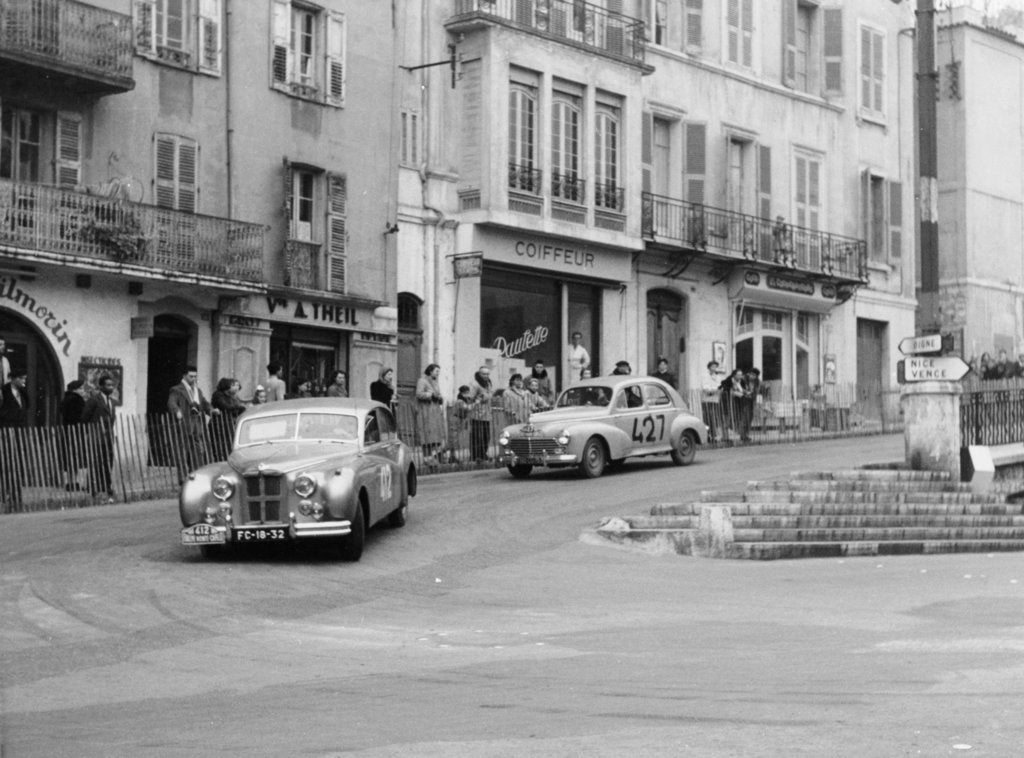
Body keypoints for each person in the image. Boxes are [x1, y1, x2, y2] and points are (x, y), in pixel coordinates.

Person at [167, 366, 219, 483]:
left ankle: (197, 476)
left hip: (197, 425)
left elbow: (204, 403)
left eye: (195, 376)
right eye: (191, 376)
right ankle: (183, 479)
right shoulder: (176, 390)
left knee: (198, 451)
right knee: (182, 452)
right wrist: (177, 411)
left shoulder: (197, 391)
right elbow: (172, 403)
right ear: (184, 376)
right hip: (184, 425)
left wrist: (211, 410)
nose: (193, 379)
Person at [81, 374, 117, 501]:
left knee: (108, 461)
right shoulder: (94, 400)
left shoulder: (112, 402)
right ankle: (93, 488)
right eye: (108, 385)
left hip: (108, 437)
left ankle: (106, 487)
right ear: (101, 386)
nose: (111, 388)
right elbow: (84, 417)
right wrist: (92, 430)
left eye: (112, 385)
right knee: (95, 462)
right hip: (96, 436)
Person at [0, 369, 28, 510]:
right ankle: (5, 492)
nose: (24, 381)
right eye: (22, 378)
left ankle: (15, 493)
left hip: (18, 433)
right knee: (6, 463)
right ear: (13, 379)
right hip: (5, 433)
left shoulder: (23, 393)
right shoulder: (3, 391)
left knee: (17, 463)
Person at [59, 379, 87, 490]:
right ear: (75, 390)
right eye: (81, 388)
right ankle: (75, 482)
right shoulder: (77, 400)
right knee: (76, 458)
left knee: (69, 459)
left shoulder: (65, 399)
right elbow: (81, 416)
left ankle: (69, 482)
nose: (83, 391)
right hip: (76, 432)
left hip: (67, 432)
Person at [415, 363, 445, 460]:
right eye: (436, 371)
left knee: (436, 435)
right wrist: (430, 395)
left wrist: (440, 397)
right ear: (430, 371)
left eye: (438, 372)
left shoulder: (435, 382)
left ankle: (436, 455)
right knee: (427, 434)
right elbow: (419, 394)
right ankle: (427, 458)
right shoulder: (422, 381)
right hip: (426, 411)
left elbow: (438, 394)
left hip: (435, 412)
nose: (438, 374)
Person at [211, 378, 246, 460]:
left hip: (228, 424)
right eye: (232, 385)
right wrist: (238, 407)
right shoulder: (218, 395)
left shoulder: (230, 396)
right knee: (220, 446)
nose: (235, 388)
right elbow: (226, 406)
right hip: (219, 424)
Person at [468, 366, 494, 462]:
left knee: (486, 436)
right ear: (479, 374)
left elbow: (490, 395)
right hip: (477, 414)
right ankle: (475, 455)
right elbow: (470, 397)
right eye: (484, 374)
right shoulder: (474, 384)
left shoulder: (488, 383)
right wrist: (481, 398)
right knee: (476, 436)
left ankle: (483, 453)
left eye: (487, 374)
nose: (486, 376)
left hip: (486, 414)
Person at [445, 384, 474, 463]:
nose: (468, 394)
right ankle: (443, 452)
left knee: (455, 440)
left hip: (460, 420)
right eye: (466, 392)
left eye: (468, 392)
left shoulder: (464, 400)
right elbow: (467, 408)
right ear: (462, 393)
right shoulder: (460, 401)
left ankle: (452, 457)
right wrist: (475, 403)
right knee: (453, 440)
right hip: (455, 420)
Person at [719, 368, 747, 442]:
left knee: (738, 418)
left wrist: (745, 392)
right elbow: (725, 391)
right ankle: (725, 437)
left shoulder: (742, 381)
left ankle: (742, 435)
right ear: (734, 375)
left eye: (741, 375)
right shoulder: (727, 381)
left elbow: (744, 390)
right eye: (738, 375)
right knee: (726, 419)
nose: (740, 376)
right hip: (728, 402)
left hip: (738, 403)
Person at [700, 361, 723, 443]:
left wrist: (714, 390)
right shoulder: (704, 376)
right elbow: (705, 386)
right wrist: (712, 390)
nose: (713, 368)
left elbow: (719, 386)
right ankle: (707, 434)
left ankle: (714, 435)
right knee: (706, 417)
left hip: (714, 399)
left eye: (715, 366)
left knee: (713, 417)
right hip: (706, 399)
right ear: (709, 367)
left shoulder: (718, 377)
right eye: (712, 366)